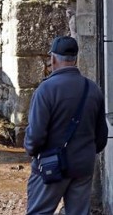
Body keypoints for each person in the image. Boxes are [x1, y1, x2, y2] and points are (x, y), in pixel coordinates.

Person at [25, 36, 108, 214]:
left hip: (50, 166)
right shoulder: (93, 89)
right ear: (75, 59)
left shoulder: (45, 90)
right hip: (83, 166)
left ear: (53, 59)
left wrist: (32, 151)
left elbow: (36, 136)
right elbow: (101, 138)